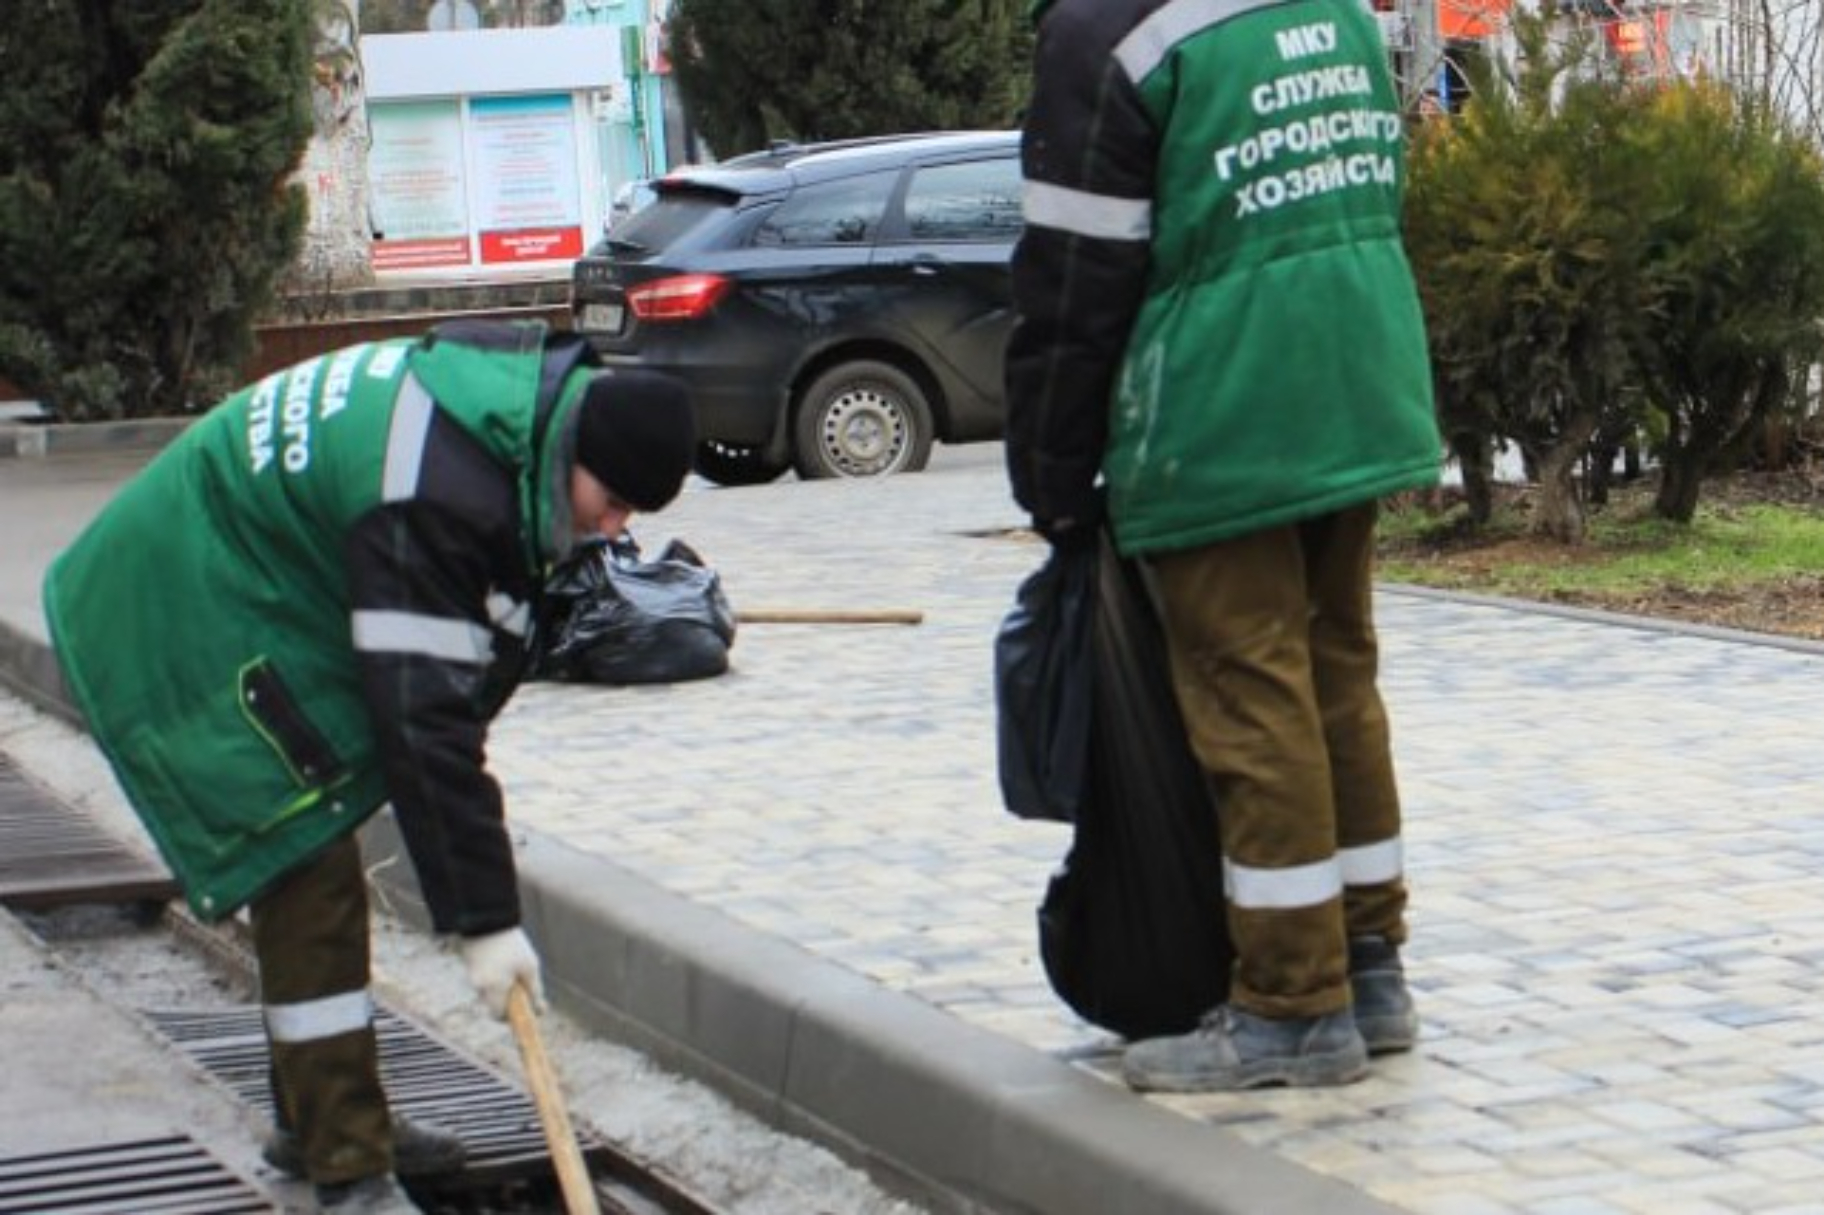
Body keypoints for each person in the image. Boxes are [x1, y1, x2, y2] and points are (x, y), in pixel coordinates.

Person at [42, 320, 696, 1212]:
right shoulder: (435, 495)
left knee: (321, 839)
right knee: (304, 852)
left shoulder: (510, 419)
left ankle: (321, 1117)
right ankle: (348, 1166)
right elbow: (422, 723)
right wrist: (483, 920)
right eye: (613, 501)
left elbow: (455, 679)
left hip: (250, 564)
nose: (612, 528)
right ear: (579, 444)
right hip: (182, 596)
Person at [1004, 0, 1442, 1091]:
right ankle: (1370, 965)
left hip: (1226, 408)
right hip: (1358, 376)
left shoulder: (1108, 32)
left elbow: (1073, 282)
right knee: (1337, 673)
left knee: (1251, 691)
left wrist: (1052, 478)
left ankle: (1293, 1006)